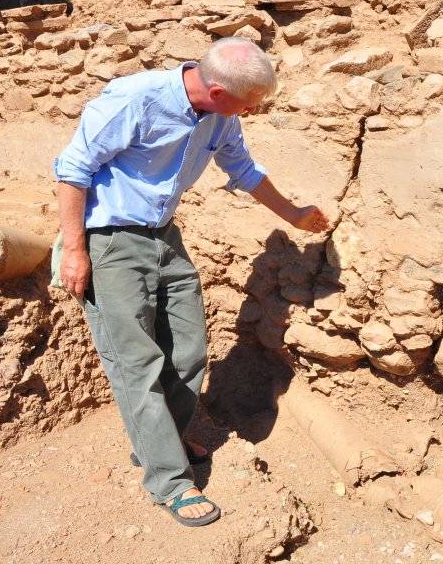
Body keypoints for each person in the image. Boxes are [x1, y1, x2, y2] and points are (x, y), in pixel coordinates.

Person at [52, 37, 329, 527]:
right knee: (136, 362)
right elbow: (73, 170)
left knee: (188, 350)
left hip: (164, 237)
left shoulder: (222, 115)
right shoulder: (135, 99)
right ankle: (170, 481)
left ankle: (162, 439)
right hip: (109, 241)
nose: (254, 110)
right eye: (250, 103)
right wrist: (74, 249)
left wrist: (294, 213)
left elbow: (241, 167)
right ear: (218, 90)